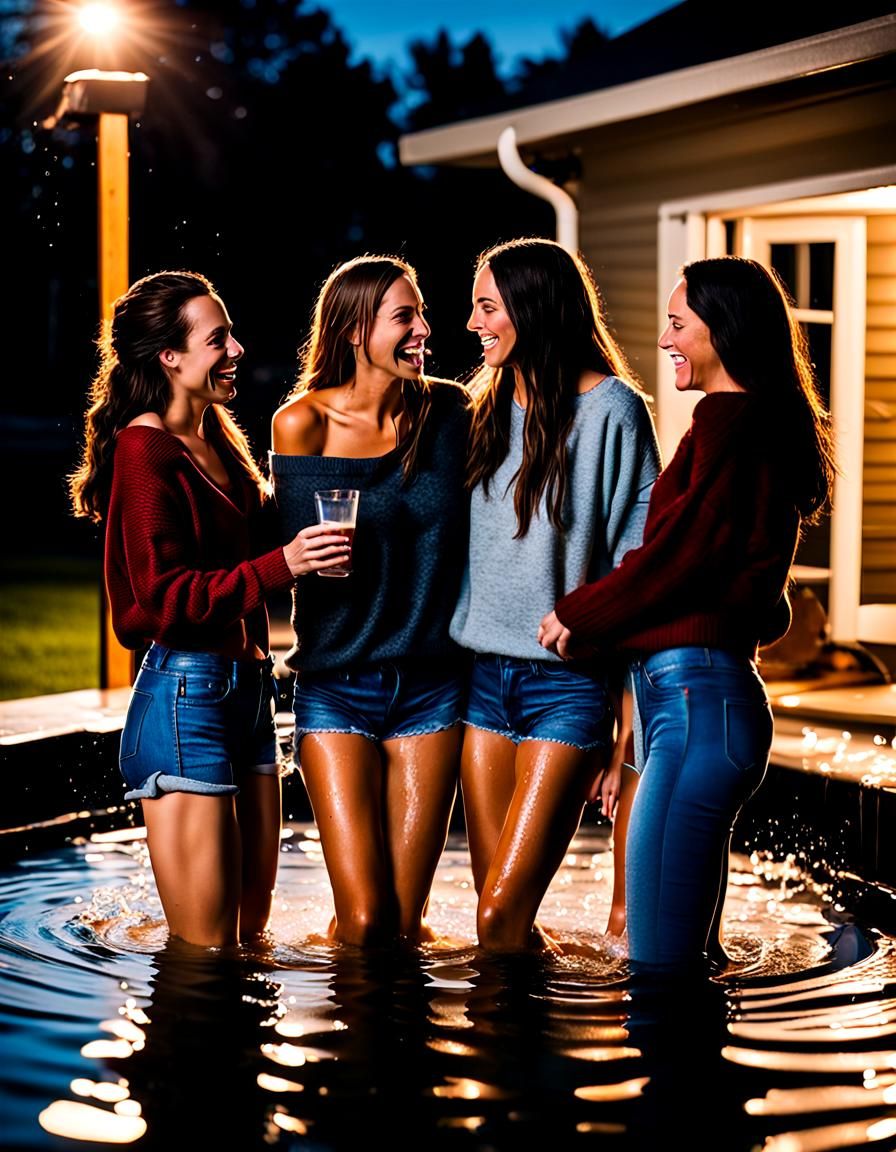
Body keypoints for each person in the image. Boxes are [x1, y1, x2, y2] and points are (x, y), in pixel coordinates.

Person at [539, 256, 836, 975]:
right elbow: (754, 590)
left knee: (661, 968)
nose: (666, 339)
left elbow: (682, 550)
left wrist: (581, 614)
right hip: (697, 705)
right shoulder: (752, 425)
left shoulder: (729, 420)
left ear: (722, 332)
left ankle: (674, 1083)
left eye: (678, 325)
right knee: (681, 960)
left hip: (700, 705)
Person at [69, 270, 351, 948]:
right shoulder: (144, 451)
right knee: (205, 954)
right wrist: (282, 562)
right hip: (185, 694)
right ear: (169, 356)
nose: (237, 351)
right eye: (217, 339)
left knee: (250, 936)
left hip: (249, 694)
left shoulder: (216, 439)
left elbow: (253, 556)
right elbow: (165, 599)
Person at [450, 237, 662, 953]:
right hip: (481, 685)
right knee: (500, 922)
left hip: (567, 691)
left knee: (495, 917)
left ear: (533, 310)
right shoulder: (480, 408)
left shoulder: (615, 413)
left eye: (488, 307)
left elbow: (640, 566)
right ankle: (519, 1055)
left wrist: (627, 719)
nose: (475, 323)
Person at [269, 254, 470, 948]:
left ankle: (396, 1050)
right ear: (355, 330)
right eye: (405, 317)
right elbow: (295, 561)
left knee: (405, 927)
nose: (424, 330)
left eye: (422, 315)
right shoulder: (300, 424)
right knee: (362, 920)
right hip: (335, 687)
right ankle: (350, 1052)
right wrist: (316, 559)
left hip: (433, 688)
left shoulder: (450, 411)